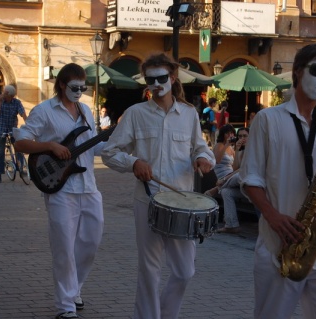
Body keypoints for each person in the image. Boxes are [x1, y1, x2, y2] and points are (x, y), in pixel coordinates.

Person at [239, 43, 316, 319]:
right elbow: (250, 178)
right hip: (280, 247)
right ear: (298, 72)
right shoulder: (268, 119)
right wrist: (273, 217)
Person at [101, 53, 214, 319]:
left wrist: (203, 158)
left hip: (182, 202)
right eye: (151, 80)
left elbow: (201, 147)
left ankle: (165, 313)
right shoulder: (135, 114)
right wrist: (133, 162)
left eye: (161, 78)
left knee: (185, 271)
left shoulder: (188, 114)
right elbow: (109, 152)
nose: (156, 84)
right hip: (147, 201)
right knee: (149, 270)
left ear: (173, 78)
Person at [14, 63, 105, 319]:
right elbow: (21, 141)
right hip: (60, 188)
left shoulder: (85, 111)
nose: (79, 92)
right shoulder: (44, 111)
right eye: (74, 87)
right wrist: (51, 146)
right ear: (62, 85)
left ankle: (75, 288)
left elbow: (93, 147)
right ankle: (65, 306)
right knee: (64, 247)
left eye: (82, 87)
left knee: (91, 242)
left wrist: (116, 143)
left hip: (89, 186)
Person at [217, 127, 250, 234]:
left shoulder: (253, 149)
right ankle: (231, 225)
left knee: (237, 176)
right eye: (240, 136)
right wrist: (236, 150)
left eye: (245, 136)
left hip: (253, 185)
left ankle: (215, 189)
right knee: (226, 192)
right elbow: (235, 168)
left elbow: (243, 169)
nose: (242, 138)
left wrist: (224, 179)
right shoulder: (239, 149)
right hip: (243, 186)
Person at [0, 85, 27, 183]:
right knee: (0, 152)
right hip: (0, 130)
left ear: (11, 96)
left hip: (12, 129)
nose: (5, 95)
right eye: (4, 93)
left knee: (19, 148)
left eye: (7, 94)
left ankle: (20, 167)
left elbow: (23, 114)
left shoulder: (16, 102)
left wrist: (29, 124)